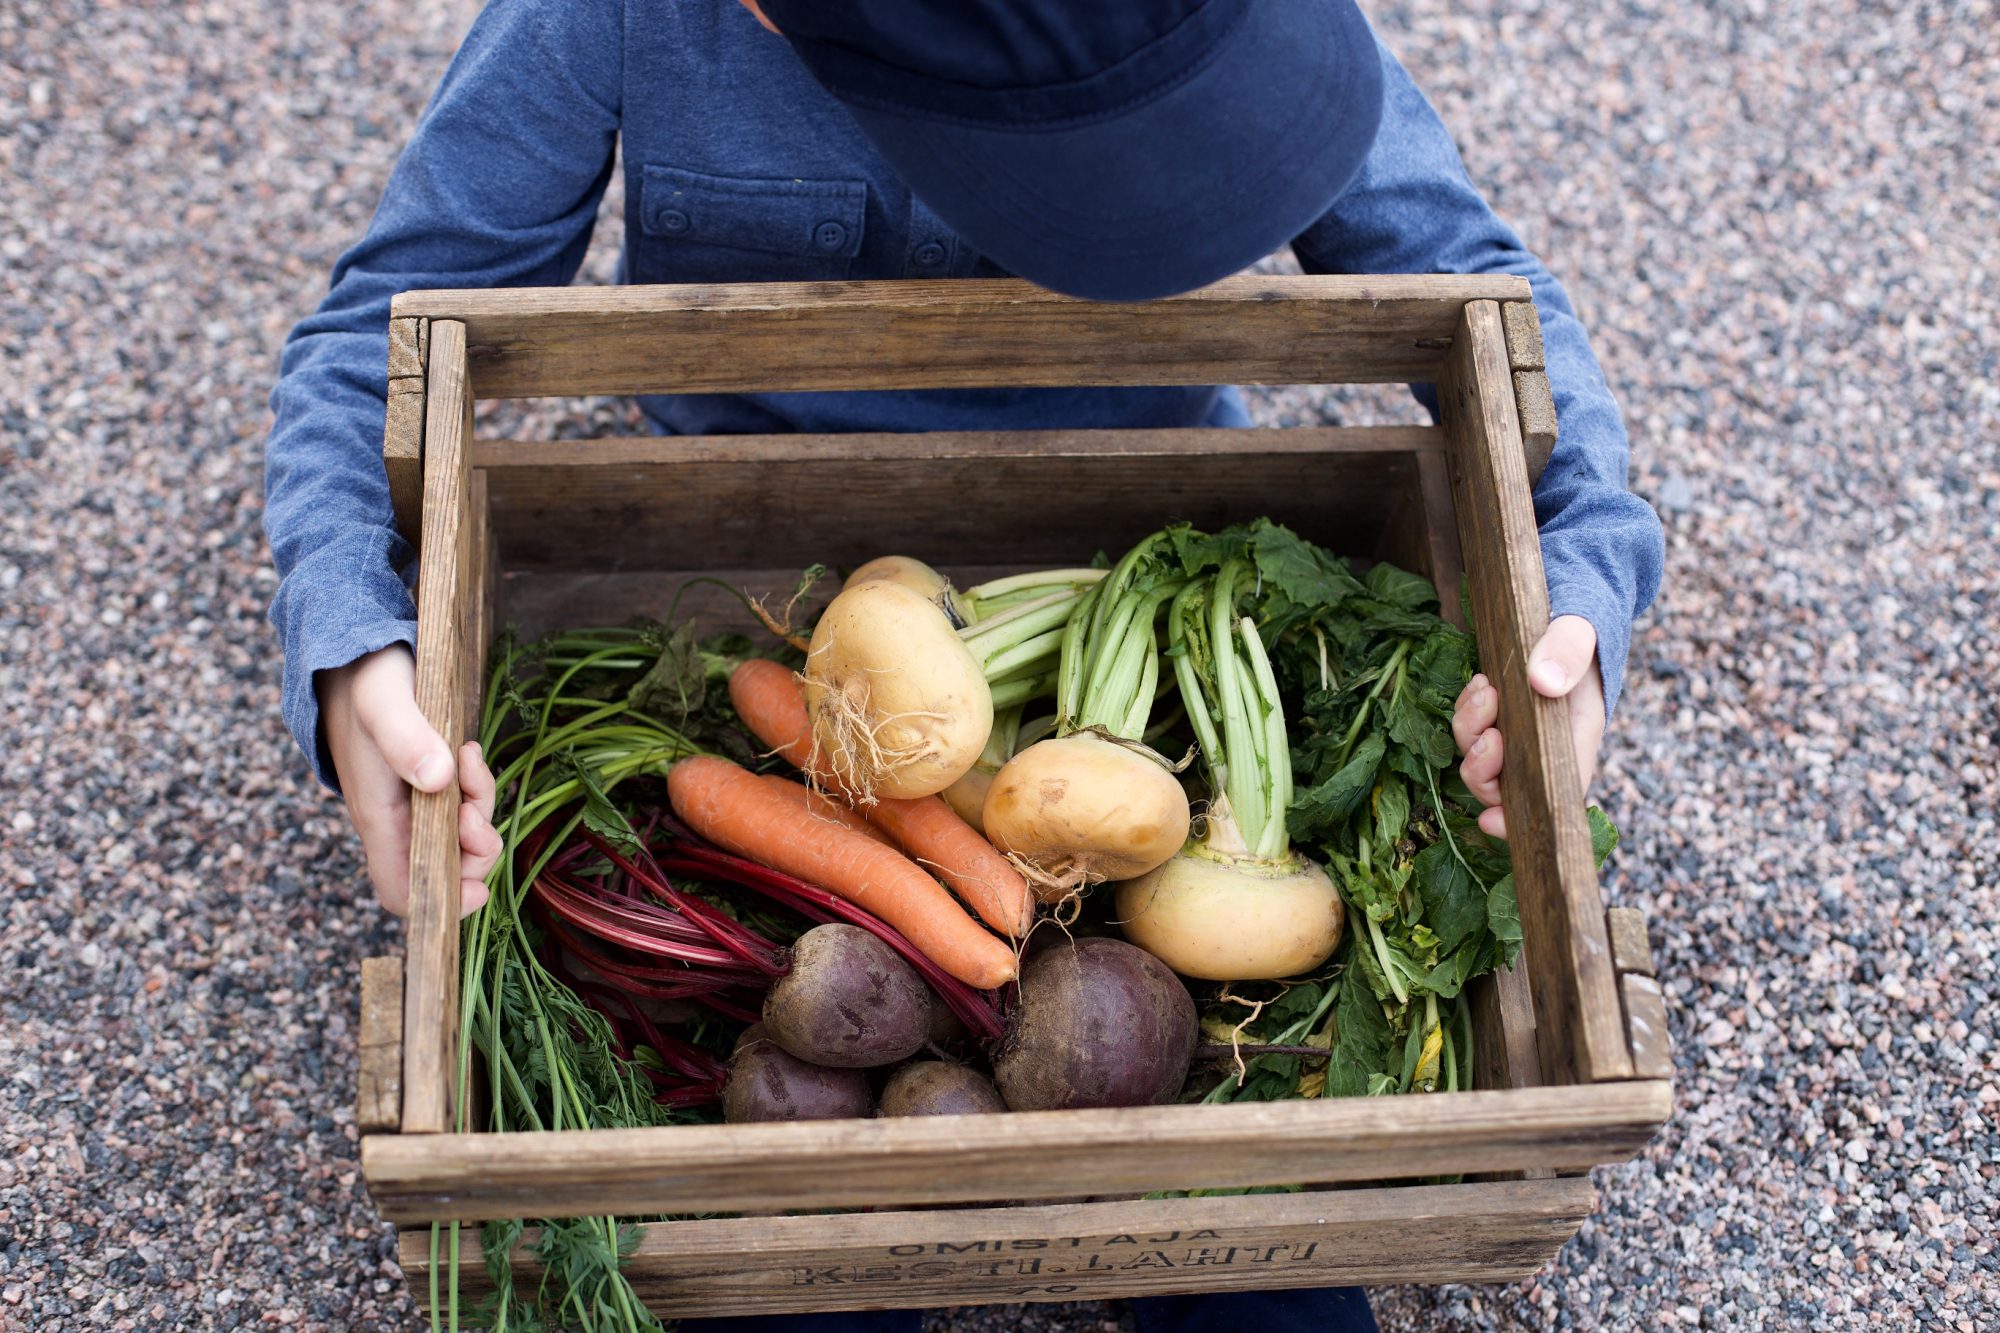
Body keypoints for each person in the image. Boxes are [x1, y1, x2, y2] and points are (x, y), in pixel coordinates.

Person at [265, 2, 1665, 1329]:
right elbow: (371, 340)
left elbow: (1489, 295)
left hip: (1124, 603)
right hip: (755, 608)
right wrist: (352, 658)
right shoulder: (619, 18)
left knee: (1243, 1212)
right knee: (785, 1233)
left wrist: (1580, 588)